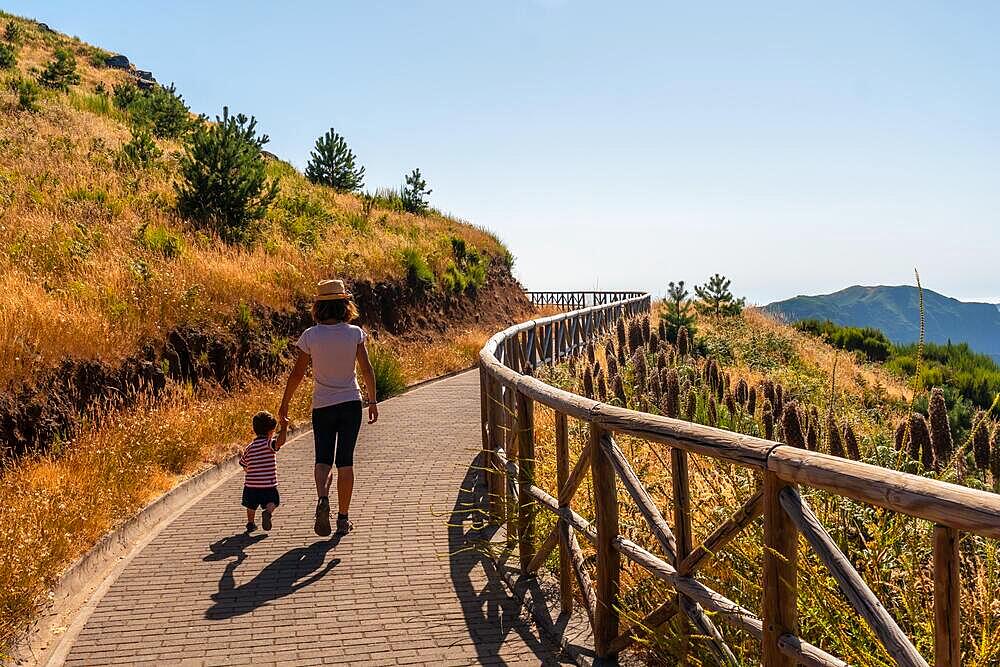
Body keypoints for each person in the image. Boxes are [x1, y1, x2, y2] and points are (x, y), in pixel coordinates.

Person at [279, 279, 378, 537]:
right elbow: (366, 369)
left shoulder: (311, 336)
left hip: (322, 405)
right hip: (350, 403)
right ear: (345, 304)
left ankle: (323, 497)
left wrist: (285, 404)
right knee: (345, 462)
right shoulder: (354, 333)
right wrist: (373, 400)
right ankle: (343, 519)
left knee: (323, 459)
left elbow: (297, 374)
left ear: (319, 307)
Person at [240, 410, 288, 533]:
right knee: (273, 501)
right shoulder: (269, 444)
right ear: (270, 432)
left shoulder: (249, 447)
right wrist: (284, 428)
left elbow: (244, 465)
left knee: (251, 505)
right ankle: (267, 512)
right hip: (268, 485)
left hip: (251, 485)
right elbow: (280, 442)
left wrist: (252, 472)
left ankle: (250, 523)